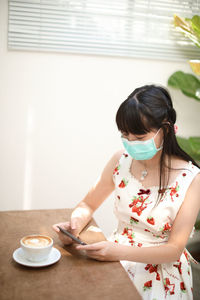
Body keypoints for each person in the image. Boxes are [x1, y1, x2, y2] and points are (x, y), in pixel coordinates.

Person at [53, 85, 200, 299]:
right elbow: (88, 205)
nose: (131, 143)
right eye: (125, 135)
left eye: (139, 137)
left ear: (165, 130)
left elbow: (174, 249)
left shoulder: (191, 178)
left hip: (162, 272)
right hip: (114, 257)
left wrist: (117, 252)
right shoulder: (120, 161)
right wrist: (74, 225)